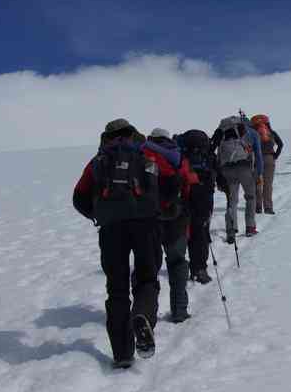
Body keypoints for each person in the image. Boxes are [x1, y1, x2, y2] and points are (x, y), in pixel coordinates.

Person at [73, 118, 178, 369]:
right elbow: (173, 182)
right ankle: (142, 316)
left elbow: (79, 197)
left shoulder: (98, 161)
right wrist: (160, 208)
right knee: (146, 279)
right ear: (133, 134)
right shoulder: (148, 155)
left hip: (111, 230)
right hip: (146, 224)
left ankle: (121, 353)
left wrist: (99, 214)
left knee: (116, 289)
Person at [147, 128, 197, 323]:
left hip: (148, 220)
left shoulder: (142, 156)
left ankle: (146, 312)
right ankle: (179, 310)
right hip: (176, 219)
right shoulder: (178, 158)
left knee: (148, 266)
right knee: (177, 263)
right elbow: (190, 183)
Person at [212, 115, 262, 242]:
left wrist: (219, 174)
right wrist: (258, 172)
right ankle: (250, 227)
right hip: (245, 168)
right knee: (250, 197)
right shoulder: (251, 133)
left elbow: (218, 154)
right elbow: (257, 153)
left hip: (227, 169)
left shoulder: (224, 133)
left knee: (231, 200)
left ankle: (230, 230)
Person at [178, 129, 217, 284]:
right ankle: (199, 268)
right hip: (205, 199)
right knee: (201, 232)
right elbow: (218, 174)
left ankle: (183, 265)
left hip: (184, 198)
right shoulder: (209, 155)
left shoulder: (181, 155)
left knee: (185, 231)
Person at [250, 114, 284, 214]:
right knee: (268, 184)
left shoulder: (252, 133)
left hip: (256, 159)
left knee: (257, 183)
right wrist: (275, 156)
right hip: (269, 159)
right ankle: (268, 207)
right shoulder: (271, 132)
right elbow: (281, 144)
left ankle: (258, 207)